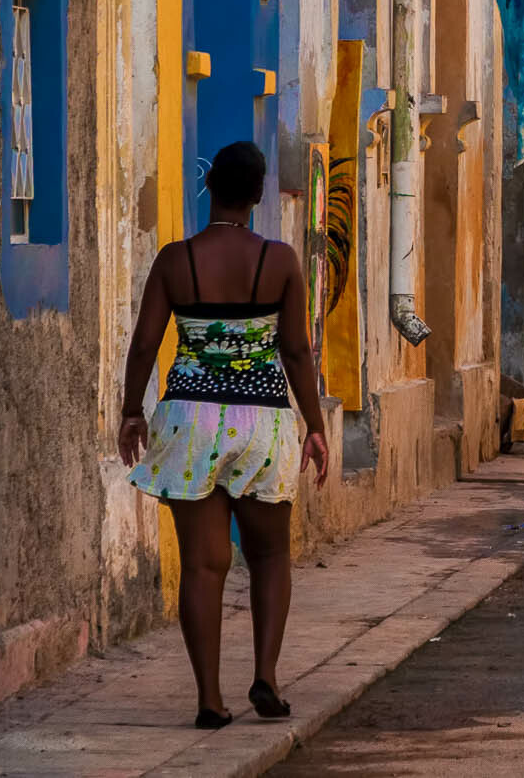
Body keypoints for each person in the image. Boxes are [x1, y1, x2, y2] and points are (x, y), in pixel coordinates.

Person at [118, 141, 331, 728]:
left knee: (203, 567)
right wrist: (314, 425)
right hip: (262, 419)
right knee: (269, 555)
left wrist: (132, 410)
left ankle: (209, 700)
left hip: (190, 418)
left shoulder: (175, 259)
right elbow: (295, 349)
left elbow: (143, 344)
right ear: (259, 193)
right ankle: (265, 676)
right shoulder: (280, 260)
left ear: (209, 186)